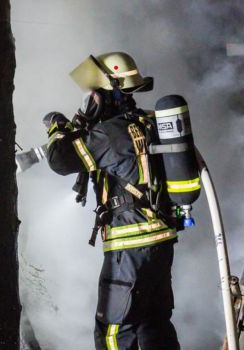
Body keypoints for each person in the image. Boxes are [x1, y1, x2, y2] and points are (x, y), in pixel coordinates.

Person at [44, 52, 181, 350]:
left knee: (113, 332)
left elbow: (60, 159)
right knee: (153, 324)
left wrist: (60, 124)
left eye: (92, 94)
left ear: (107, 92)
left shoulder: (110, 134)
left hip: (129, 249)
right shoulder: (147, 122)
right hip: (160, 243)